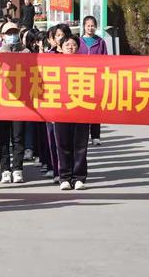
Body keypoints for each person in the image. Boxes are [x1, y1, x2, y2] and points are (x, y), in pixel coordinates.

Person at [0, 22, 28, 183]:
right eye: (9, 33)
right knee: (2, 138)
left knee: (18, 137)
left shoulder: (26, 52)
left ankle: (17, 168)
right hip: (1, 103)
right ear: (2, 35)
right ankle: (5, 169)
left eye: (14, 32)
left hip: (20, 103)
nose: (12, 35)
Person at [55, 34, 90, 191]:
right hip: (60, 110)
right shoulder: (53, 66)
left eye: (74, 44)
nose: (70, 47)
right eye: (67, 44)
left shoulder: (86, 65)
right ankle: (65, 177)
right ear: (60, 48)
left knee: (80, 145)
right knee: (63, 145)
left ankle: (79, 177)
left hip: (81, 109)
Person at [78, 15, 108, 146]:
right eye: (88, 25)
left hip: (96, 80)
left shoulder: (100, 42)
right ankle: (83, 134)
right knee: (82, 107)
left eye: (92, 25)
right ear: (84, 26)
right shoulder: (78, 41)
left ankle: (96, 135)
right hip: (80, 79)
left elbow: (106, 60)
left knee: (96, 109)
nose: (90, 28)